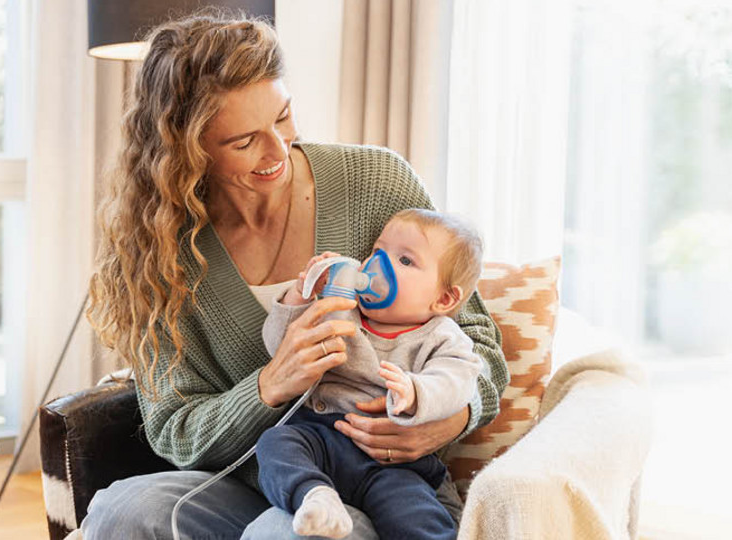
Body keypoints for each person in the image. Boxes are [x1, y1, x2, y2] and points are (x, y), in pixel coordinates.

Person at [82, 9, 508, 540]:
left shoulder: (377, 183)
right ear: (186, 150)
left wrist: (452, 416)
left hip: (382, 489)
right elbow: (174, 428)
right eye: (243, 141)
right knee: (120, 512)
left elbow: (478, 344)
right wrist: (269, 384)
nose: (277, 151)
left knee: (281, 534)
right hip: (253, 478)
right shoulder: (159, 249)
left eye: (283, 117)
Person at [256, 209, 485, 539]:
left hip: (391, 465)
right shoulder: (340, 309)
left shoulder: (443, 337)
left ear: (444, 297)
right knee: (275, 445)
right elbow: (282, 346)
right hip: (320, 438)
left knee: (414, 516)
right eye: (378, 252)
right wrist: (302, 295)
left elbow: (457, 382)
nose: (376, 265)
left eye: (405, 261)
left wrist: (416, 392)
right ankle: (315, 498)